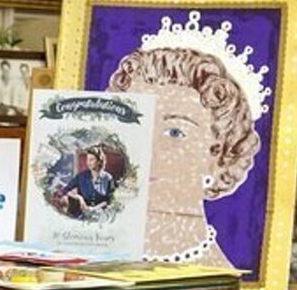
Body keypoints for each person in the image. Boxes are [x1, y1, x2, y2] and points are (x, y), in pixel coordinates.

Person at [109, 40, 259, 267]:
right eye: (134, 127)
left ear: (218, 155)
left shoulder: (217, 276)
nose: (145, 149)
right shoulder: (84, 261)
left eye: (174, 132)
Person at [60, 146, 115, 217]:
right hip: (82, 214)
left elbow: (109, 200)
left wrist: (94, 209)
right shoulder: (81, 176)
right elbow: (65, 190)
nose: (88, 162)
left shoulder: (108, 178)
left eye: (91, 159)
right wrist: (80, 198)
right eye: (87, 159)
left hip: (101, 214)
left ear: (99, 161)